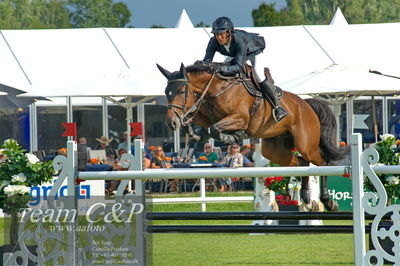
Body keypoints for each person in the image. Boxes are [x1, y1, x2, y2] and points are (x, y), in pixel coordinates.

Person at [203, 16, 287, 122]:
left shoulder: (239, 40)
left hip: (253, 50)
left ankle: (277, 107)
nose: (219, 37)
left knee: (257, 73)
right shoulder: (213, 42)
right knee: (224, 70)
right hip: (236, 53)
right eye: (216, 34)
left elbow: (238, 67)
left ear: (229, 32)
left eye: (221, 34)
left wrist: (219, 69)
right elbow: (207, 61)